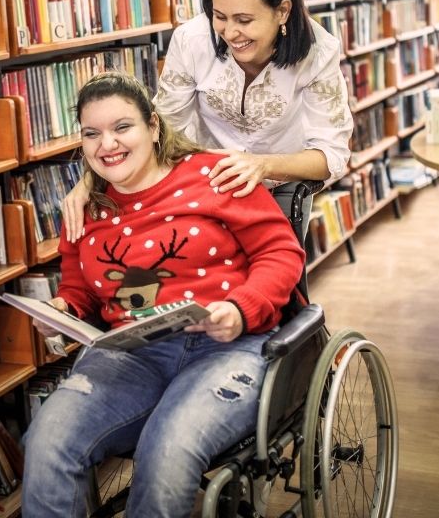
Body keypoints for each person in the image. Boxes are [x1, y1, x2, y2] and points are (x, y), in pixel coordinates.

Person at [21, 72, 305, 518]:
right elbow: (79, 288)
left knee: (167, 448)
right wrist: (62, 310)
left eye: (122, 127)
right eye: (91, 134)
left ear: (153, 127)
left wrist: (238, 309)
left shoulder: (214, 175)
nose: (107, 144)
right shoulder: (85, 206)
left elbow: (281, 253)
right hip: (131, 353)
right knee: (47, 442)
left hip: (228, 347)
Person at [62, 0, 352, 242]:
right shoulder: (192, 40)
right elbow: (162, 126)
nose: (229, 33)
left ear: (282, 11)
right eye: (219, 16)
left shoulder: (319, 52)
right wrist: (92, 180)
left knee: (275, 272)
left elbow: (330, 155)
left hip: (281, 188)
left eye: (244, 20)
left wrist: (262, 165)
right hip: (202, 187)